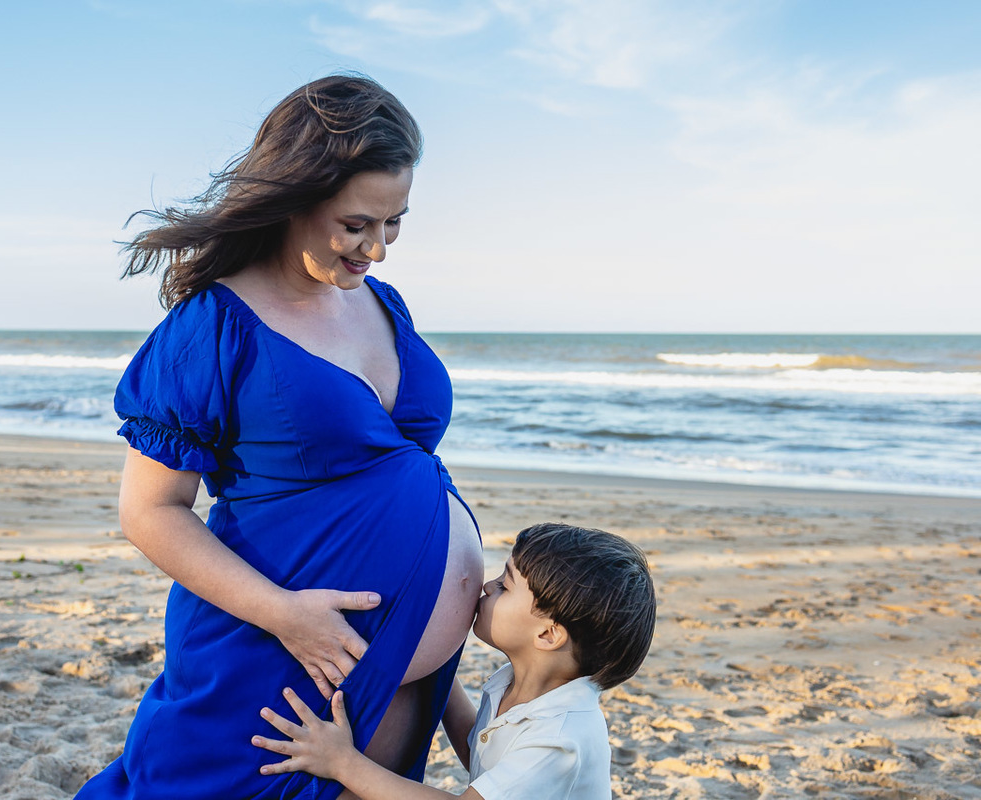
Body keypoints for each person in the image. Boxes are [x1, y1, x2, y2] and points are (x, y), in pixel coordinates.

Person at [76, 74, 484, 800]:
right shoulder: (214, 326)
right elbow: (149, 511)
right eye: (357, 224)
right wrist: (286, 616)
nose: (379, 249)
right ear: (296, 196)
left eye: (395, 224)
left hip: (394, 677)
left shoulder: (382, 303)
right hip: (276, 656)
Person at [251, 523, 657, 800]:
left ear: (547, 635)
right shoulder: (516, 683)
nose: (487, 586)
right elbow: (478, 748)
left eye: (506, 585)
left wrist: (343, 763)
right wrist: (434, 667)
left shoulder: (561, 739)